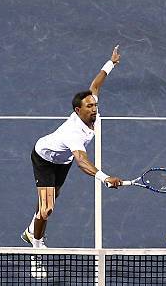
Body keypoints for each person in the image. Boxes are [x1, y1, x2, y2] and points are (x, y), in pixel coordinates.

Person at [21, 45, 124, 251]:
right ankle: (36, 246)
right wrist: (104, 178)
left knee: (52, 196)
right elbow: (82, 162)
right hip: (44, 159)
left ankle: (32, 229)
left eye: (95, 106)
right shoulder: (73, 133)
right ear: (78, 110)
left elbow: (95, 85)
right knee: (47, 209)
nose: (94, 108)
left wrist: (111, 63)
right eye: (89, 107)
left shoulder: (91, 110)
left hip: (62, 161)